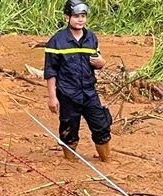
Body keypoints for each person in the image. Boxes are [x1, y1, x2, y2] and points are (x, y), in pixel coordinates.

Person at [44, 0, 112, 162]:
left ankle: (107, 161)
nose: (80, 19)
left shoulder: (91, 38)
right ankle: (70, 165)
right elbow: (50, 72)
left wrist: (102, 63)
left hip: (89, 93)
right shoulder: (56, 41)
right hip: (67, 94)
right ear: (67, 17)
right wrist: (52, 97)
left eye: (83, 16)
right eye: (76, 16)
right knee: (69, 130)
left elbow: (98, 60)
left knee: (101, 126)